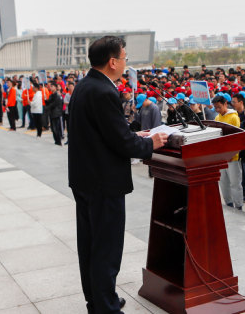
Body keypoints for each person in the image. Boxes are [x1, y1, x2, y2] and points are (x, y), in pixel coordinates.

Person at [68, 36, 168, 313]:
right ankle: (106, 307)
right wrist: (150, 143)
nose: (125, 63)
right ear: (112, 62)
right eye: (124, 58)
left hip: (85, 178)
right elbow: (121, 143)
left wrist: (135, 135)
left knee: (90, 245)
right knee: (106, 249)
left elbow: (105, 133)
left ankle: (99, 300)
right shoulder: (104, 92)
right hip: (103, 183)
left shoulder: (85, 86)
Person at [213, 95, 242, 211]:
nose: (217, 110)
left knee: (235, 183)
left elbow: (237, 138)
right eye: (215, 107)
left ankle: (238, 205)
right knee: (223, 182)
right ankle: (228, 203)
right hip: (221, 157)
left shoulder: (234, 117)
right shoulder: (217, 118)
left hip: (232, 157)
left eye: (219, 107)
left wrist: (232, 154)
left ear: (225, 104)